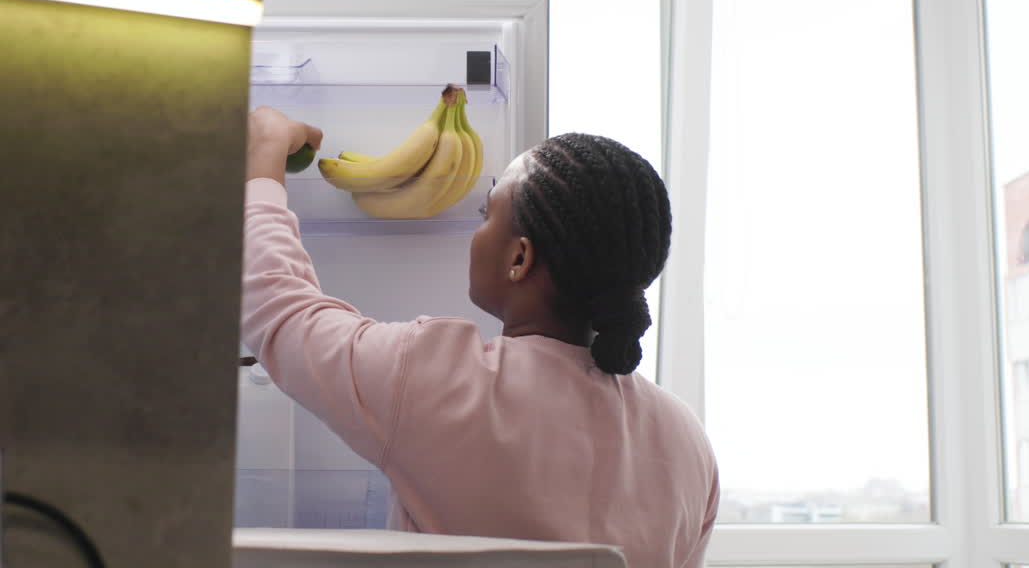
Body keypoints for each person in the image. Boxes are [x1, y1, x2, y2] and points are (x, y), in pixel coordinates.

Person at [241, 106, 719, 568]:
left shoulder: (434, 378)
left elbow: (278, 306)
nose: (477, 231)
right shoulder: (686, 440)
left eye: (486, 213)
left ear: (519, 258)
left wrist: (265, 153)